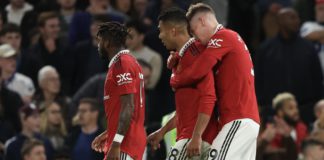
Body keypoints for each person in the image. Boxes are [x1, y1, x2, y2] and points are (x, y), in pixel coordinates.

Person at [170, 3, 260, 160]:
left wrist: (175, 79)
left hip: (238, 118)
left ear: (203, 21)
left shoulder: (223, 37)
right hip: (242, 119)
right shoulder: (227, 39)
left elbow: (198, 70)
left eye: (193, 30)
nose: (194, 36)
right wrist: (178, 56)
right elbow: (195, 48)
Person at [147, 7, 218, 159]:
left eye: (161, 30)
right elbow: (186, 108)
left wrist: (197, 136)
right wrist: (162, 131)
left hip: (197, 140)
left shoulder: (196, 54)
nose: (159, 36)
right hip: (190, 137)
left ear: (173, 31)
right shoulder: (182, 58)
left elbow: (209, 97)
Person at [255, 8, 323, 125]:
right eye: (292, 17)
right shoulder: (265, 49)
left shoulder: (308, 48)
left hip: (305, 112)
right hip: (274, 113)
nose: (297, 21)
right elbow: (258, 81)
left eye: (297, 17)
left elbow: (317, 79)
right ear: (280, 21)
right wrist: (262, 108)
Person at [91, 22, 146, 160]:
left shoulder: (122, 64)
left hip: (125, 144)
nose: (99, 46)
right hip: (130, 140)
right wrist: (109, 132)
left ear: (108, 42)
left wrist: (116, 144)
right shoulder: (131, 61)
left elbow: (128, 107)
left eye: (100, 41)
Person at [125, 19, 162, 90]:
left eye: (131, 36)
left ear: (141, 36)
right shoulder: (121, 56)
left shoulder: (154, 57)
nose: (127, 40)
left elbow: (151, 85)